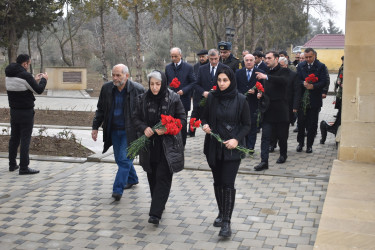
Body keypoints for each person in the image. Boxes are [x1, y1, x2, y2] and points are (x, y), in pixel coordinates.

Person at [201, 67, 251, 238]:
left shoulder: (241, 99)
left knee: (228, 184)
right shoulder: (212, 98)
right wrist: (205, 125)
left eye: (225, 80)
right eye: (219, 80)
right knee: (218, 182)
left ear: (231, 81)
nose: (221, 84)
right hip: (214, 147)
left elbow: (247, 125)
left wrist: (236, 139)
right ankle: (221, 212)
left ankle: (227, 223)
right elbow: (204, 117)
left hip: (232, 149)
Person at [133, 70, 186, 225]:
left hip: (167, 146)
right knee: (152, 175)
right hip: (149, 145)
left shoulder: (174, 98)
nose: (155, 88)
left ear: (163, 83)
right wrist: (144, 128)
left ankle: (155, 213)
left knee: (163, 176)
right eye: (152, 84)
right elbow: (135, 117)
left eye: (158, 84)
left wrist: (169, 128)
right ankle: (159, 203)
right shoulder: (142, 98)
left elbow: (182, 119)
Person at [92, 64, 145, 201]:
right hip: (114, 130)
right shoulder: (107, 88)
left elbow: (143, 112)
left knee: (124, 159)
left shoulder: (137, 90)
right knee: (120, 159)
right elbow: (101, 109)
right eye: (113, 75)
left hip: (131, 131)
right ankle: (132, 178)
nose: (115, 78)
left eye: (118, 75)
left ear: (126, 76)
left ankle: (117, 190)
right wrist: (95, 127)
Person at [5, 54, 48, 175]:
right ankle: (24, 167)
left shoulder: (9, 74)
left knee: (14, 138)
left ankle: (12, 164)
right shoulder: (25, 75)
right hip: (26, 112)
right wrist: (44, 79)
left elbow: (21, 86)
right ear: (25, 63)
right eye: (28, 64)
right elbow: (38, 90)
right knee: (25, 139)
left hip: (14, 111)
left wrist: (33, 79)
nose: (28, 66)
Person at [254, 51, 289, 170]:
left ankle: (283, 154)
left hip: (280, 110)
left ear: (277, 59)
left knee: (282, 136)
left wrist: (266, 77)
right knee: (265, 137)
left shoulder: (284, 71)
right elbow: (267, 90)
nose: (266, 60)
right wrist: (261, 94)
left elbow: (283, 81)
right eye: (265, 58)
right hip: (268, 111)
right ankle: (264, 161)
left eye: (269, 58)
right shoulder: (266, 72)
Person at [296, 48, 327, 153]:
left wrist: (313, 86)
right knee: (301, 123)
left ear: (314, 56)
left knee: (312, 124)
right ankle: (300, 143)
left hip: (314, 100)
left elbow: (324, 81)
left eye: (310, 57)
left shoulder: (321, 66)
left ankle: (309, 145)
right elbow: (297, 79)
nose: (308, 59)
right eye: (306, 57)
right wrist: (303, 83)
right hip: (302, 99)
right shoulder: (300, 66)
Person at [165, 47, 195, 146]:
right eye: (172, 56)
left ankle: (182, 144)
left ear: (180, 56)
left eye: (175, 56)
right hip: (170, 99)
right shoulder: (168, 67)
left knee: (182, 122)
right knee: (171, 122)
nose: (173, 58)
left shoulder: (188, 67)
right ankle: (172, 142)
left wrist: (184, 90)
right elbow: (166, 82)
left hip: (184, 99)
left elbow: (193, 82)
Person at [269, 57, 300, 152]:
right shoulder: (273, 74)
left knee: (283, 130)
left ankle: (282, 147)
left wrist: (295, 106)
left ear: (286, 65)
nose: (280, 67)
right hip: (274, 105)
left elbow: (297, 91)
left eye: (281, 65)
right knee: (273, 128)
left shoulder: (293, 75)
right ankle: (272, 144)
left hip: (287, 106)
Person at [235, 53, 265, 153]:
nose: (248, 62)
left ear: (254, 61)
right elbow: (235, 87)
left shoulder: (260, 73)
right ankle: (243, 146)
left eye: (250, 60)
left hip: (253, 103)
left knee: (252, 126)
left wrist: (257, 92)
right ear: (244, 61)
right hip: (241, 103)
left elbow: (263, 88)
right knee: (242, 125)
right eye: (246, 60)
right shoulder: (238, 72)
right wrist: (241, 95)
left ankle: (251, 147)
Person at [192, 49, 230, 120]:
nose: (213, 61)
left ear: (219, 57)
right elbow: (196, 84)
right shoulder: (202, 69)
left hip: (219, 102)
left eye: (216, 59)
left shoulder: (225, 68)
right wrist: (203, 92)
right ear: (208, 58)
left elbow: (229, 85)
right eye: (211, 59)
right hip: (205, 102)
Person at [189, 49, 209, 137]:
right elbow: (193, 80)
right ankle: (191, 131)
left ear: (207, 57)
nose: (201, 58)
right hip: (197, 94)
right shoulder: (196, 66)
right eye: (200, 57)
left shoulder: (210, 66)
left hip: (207, 93)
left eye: (203, 57)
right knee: (195, 113)